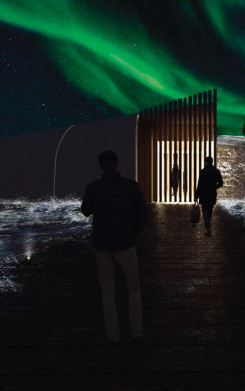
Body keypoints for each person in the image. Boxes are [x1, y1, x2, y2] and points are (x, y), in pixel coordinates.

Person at [81, 149, 149, 349]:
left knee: (108, 291)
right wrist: (132, 233)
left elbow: (85, 211)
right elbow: (143, 215)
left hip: (102, 245)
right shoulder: (130, 186)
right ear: (117, 165)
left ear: (101, 166)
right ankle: (136, 334)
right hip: (125, 243)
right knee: (134, 289)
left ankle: (113, 338)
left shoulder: (93, 187)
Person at [194, 156, 223, 237]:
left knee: (205, 212)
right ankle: (208, 227)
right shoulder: (216, 171)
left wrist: (196, 195)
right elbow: (221, 183)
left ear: (206, 162)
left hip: (204, 194)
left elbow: (199, 185)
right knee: (209, 211)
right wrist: (214, 187)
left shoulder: (203, 171)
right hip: (212, 194)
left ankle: (208, 228)